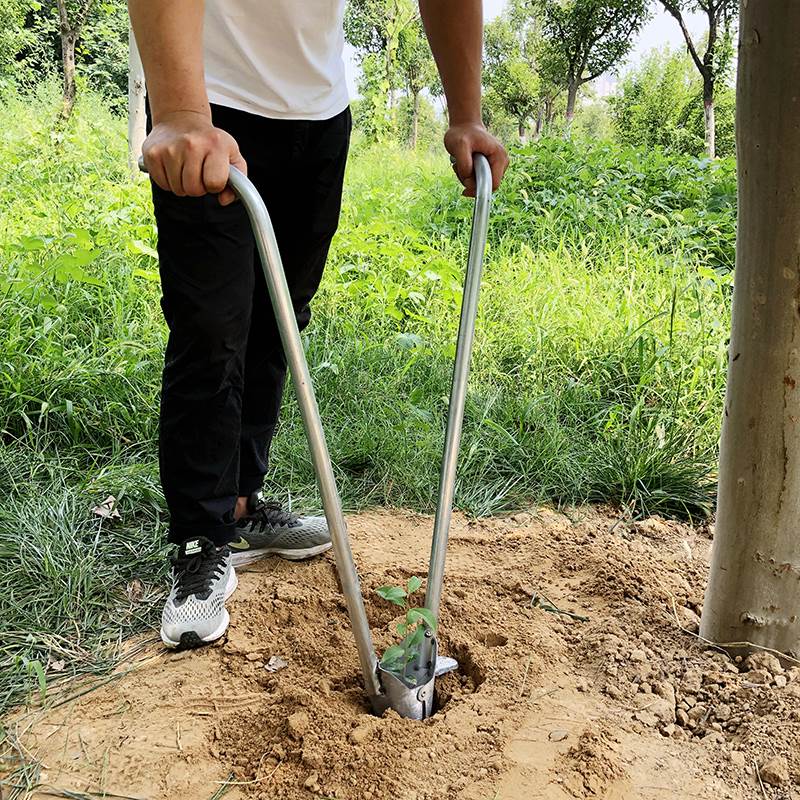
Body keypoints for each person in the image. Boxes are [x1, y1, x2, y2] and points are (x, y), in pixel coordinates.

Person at [129, 0, 509, 649]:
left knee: (280, 320)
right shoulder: (195, 109)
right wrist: (181, 111)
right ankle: (200, 538)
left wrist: (466, 112)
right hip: (210, 100)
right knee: (211, 328)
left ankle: (242, 504)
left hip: (319, 116)